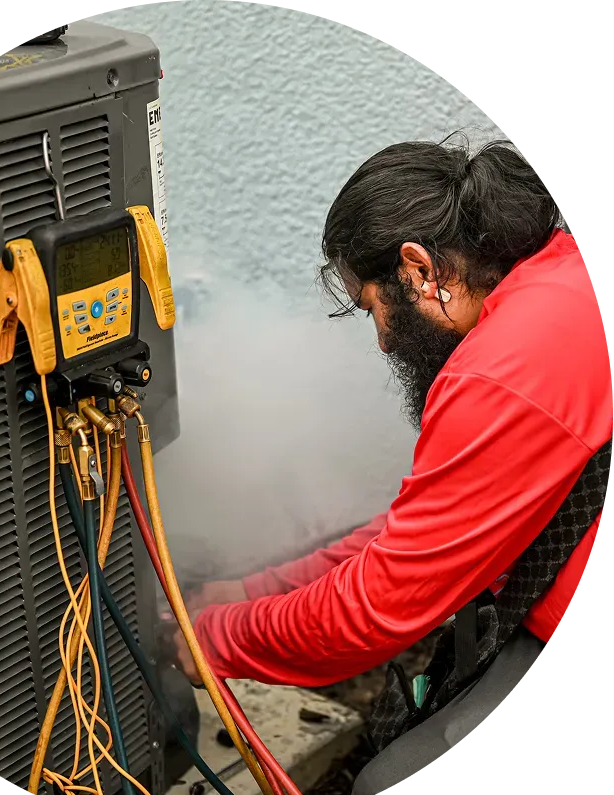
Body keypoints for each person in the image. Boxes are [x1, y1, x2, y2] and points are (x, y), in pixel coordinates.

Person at [173, 135, 613, 698]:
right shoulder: (571, 268)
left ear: (419, 270)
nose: (383, 341)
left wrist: (214, 640)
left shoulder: (500, 371)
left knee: (390, 789)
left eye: (372, 308)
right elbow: (435, 526)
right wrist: (255, 590)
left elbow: (380, 605)